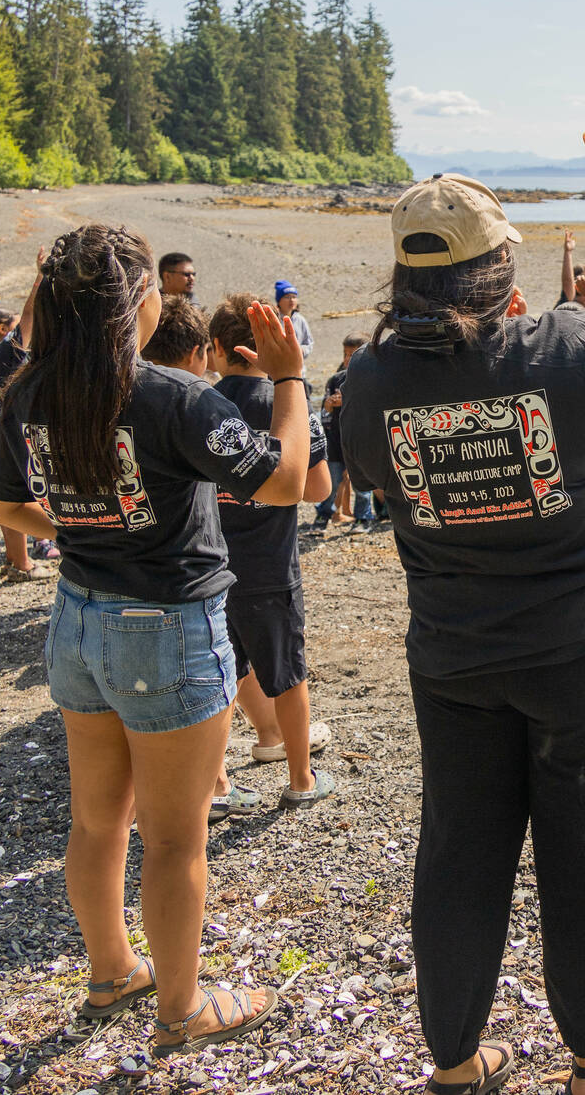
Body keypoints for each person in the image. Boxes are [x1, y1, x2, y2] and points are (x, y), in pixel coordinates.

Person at [337, 132, 585, 1095]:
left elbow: (376, 474)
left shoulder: (371, 385)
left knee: (458, 854)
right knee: (584, 854)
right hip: (583, 654)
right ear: (504, 280)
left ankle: (456, 1062)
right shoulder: (569, 352)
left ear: (404, 282)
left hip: (455, 658)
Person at [0, 223, 309, 1055]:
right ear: (138, 302)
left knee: (97, 823)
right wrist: (291, 379)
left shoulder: (31, 389)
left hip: (77, 616)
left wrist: (72, 525)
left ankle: (110, 971)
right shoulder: (170, 394)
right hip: (167, 624)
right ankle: (181, 1008)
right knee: (173, 837)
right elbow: (285, 480)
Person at [137, 298, 264, 823]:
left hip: (93, 593)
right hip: (185, 586)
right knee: (210, 691)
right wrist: (291, 382)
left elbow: (0, 500)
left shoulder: (90, 392)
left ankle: (207, 786)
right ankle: (215, 787)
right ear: (200, 351)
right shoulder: (191, 400)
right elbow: (288, 484)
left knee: (105, 811)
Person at [204, 296, 333, 807]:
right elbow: (319, 489)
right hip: (271, 567)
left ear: (216, 348)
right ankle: (301, 780)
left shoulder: (200, 404)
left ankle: (218, 786)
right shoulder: (290, 402)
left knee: (222, 674)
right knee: (288, 674)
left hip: (210, 565)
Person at [0, 304, 53, 583]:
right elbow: (30, 314)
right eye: (14, 326)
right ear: (3, 330)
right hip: (7, 427)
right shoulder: (7, 350)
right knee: (18, 497)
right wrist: (38, 283)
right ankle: (23, 563)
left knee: (5, 495)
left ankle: (13, 557)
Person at [320, 334, 378, 532]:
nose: (347, 359)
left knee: (361, 482)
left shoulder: (371, 379)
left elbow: (371, 407)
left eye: (352, 355)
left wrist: (347, 402)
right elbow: (324, 412)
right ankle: (323, 514)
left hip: (360, 439)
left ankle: (363, 518)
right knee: (333, 480)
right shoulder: (335, 380)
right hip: (336, 440)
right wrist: (329, 405)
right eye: (345, 354)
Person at [273, 281, 314, 360]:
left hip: (297, 365)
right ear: (279, 301)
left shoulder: (300, 320)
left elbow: (308, 343)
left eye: (294, 297)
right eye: (287, 297)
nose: (291, 300)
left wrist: (301, 350)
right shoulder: (273, 319)